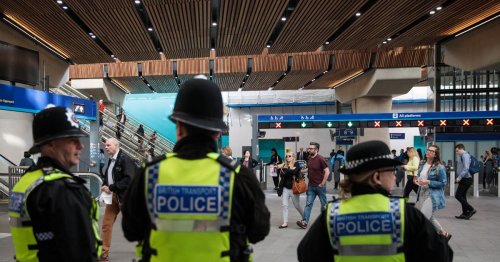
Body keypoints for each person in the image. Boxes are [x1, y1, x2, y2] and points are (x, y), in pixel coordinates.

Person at [121, 78, 270, 262]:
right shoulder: (237, 177)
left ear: (179, 128)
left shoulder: (149, 173)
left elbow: (130, 231)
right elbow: (259, 231)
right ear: (216, 133)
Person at [297, 140, 453, 262]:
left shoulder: (331, 215)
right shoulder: (406, 214)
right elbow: (440, 257)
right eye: (391, 171)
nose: (394, 175)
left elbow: (305, 254)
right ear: (377, 177)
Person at [9, 106, 102, 261]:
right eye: (73, 140)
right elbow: (77, 252)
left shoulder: (28, 180)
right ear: (51, 144)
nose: (81, 145)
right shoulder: (60, 189)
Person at [100, 138, 135, 261]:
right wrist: (105, 185)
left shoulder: (125, 159)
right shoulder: (111, 160)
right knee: (106, 224)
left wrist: (112, 187)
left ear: (116, 145)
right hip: (113, 197)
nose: (106, 147)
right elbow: (109, 175)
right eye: (105, 145)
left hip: (125, 197)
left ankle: (149, 247)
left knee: (135, 224)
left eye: (108, 145)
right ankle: (104, 254)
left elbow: (129, 179)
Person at [414, 145, 451, 240]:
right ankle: (443, 233)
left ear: (435, 154)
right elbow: (419, 175)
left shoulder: (440, 167)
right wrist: (417, 180)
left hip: (432, 195)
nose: (428, 152)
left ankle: (422, 239)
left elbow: (443, 183)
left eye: (431, 151)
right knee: (429, 216)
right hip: (421, 192)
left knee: (423, 217)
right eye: (428, 150)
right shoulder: (422, 163)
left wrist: (428, 182)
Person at [296, 142, 329, 229]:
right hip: (311, 186)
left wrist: (322, 183)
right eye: (309, 148)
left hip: (320, 187)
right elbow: (309, 169)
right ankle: (304, 222)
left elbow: (327, 171)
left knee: (324, 205)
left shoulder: (321, 159)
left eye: (311, 148)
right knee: (308, 204)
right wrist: (299, 171)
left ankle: (326, 222)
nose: (309, 150)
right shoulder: (309, 158)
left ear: (316, 149)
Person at [276, 152, 304, 229]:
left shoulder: (296, 164)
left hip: (294, 188)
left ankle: (304, 218)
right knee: (284, 205)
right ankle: (285, 222)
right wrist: (289, 170)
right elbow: (282, 175)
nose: (288, 157)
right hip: (285, 188)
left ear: (293, 157)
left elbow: (295, 172)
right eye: (287, 156)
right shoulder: (284, 164)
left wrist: (287, 170)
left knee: (297, 205)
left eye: (289, 156)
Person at [454, 144, 477, 219]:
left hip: (466, 178)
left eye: (457, 151)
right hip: (464, 178)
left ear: (461, 149)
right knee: (462, 196)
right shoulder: (462, 156)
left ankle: (471, 209)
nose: (457, 152)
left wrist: (459, 177)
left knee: (458, 195)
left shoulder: (465, 156)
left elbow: (466, 168)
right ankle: (465, 213)